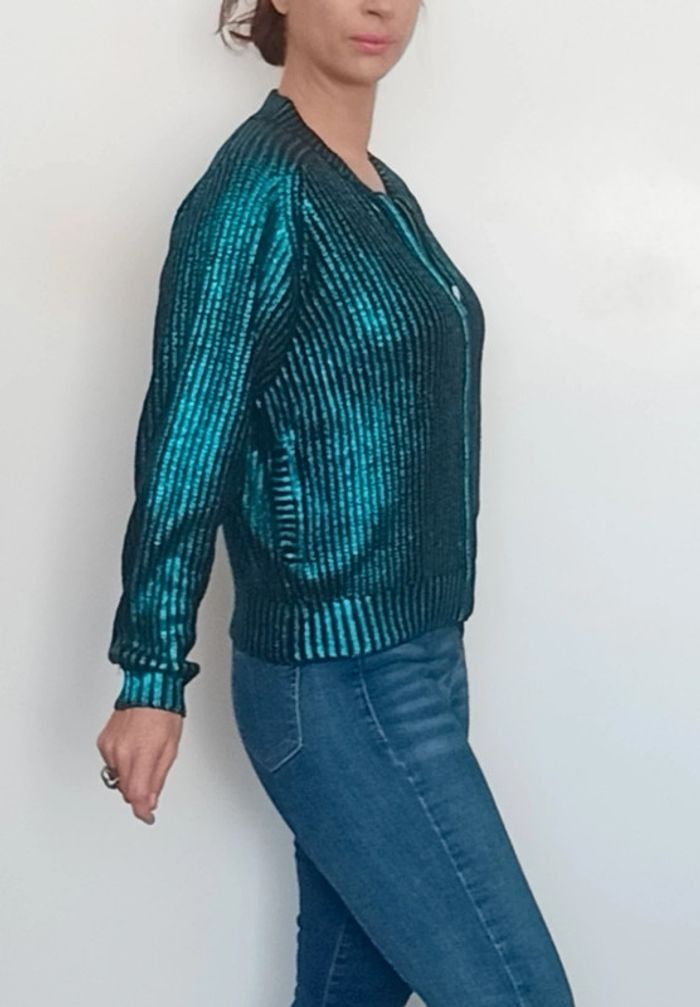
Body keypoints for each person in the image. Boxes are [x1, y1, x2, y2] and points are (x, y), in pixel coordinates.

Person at [97, 1, 577, 1004]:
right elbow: (187, 437)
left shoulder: (378, 189)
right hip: (338, 676)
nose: (381, 5)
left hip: (420, 656)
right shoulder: (255, 193)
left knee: (349, 990)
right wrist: (150, 671)